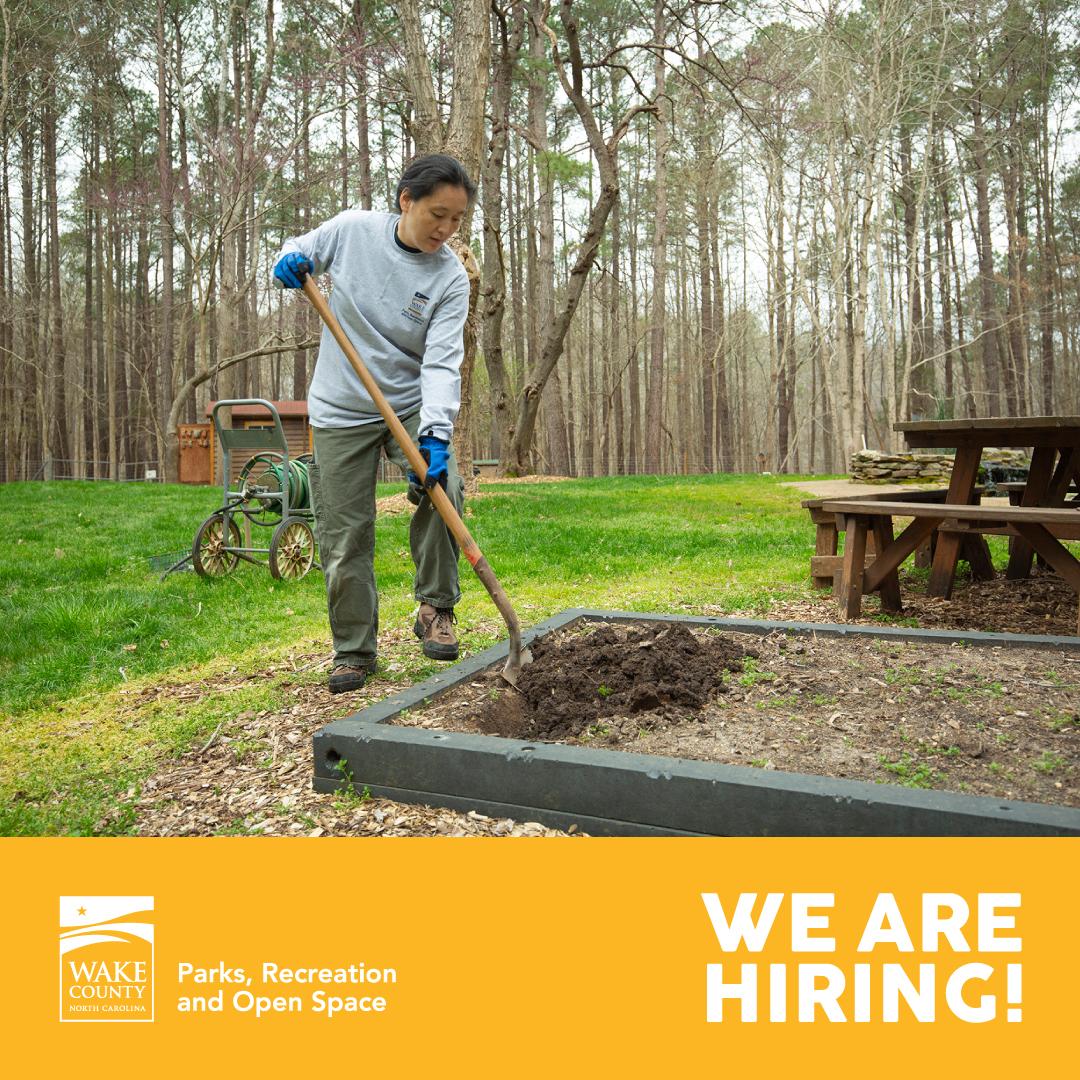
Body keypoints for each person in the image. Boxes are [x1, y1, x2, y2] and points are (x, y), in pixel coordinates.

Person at [272, 153, 475, 694]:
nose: (446, 230)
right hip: (341, 406)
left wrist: (435, 433)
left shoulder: (450, 278)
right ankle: (354, 650)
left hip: (408, 400)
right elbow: (296, 249)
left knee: (444, 488)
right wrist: (288, 263)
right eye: (438, 214)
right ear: (406, 200)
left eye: (457, 219)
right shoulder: (353, 231)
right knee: (344, 533)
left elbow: (441, 362)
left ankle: (435, 608)